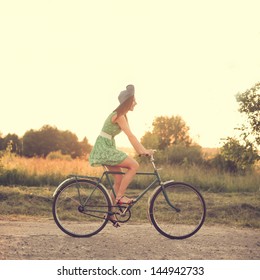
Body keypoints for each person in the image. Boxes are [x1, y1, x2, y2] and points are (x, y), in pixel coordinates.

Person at [89, 84, 153, 227]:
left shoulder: (121, 115)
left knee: (119, 179)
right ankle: (120, 198)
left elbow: (132, 136)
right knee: (134, 165)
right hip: (105, 147)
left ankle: (110, 214)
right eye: (134, 100)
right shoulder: (119, 116)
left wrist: (143, 149)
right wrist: (142, 151)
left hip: (106, 146)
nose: (136, 103)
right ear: (128, 101)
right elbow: (131, 136)